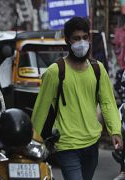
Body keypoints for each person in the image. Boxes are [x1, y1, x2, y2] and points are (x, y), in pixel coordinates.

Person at [31, 16, 123, 180]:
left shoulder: (98, 69)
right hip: (67, 144)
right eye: (76, 38)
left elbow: (108, 103)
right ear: (67, 40)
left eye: (85, 38)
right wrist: (32, 140)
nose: (82, 42)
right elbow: (41, 109)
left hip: (92, 142)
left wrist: (115, 131)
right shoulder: (55, 71)